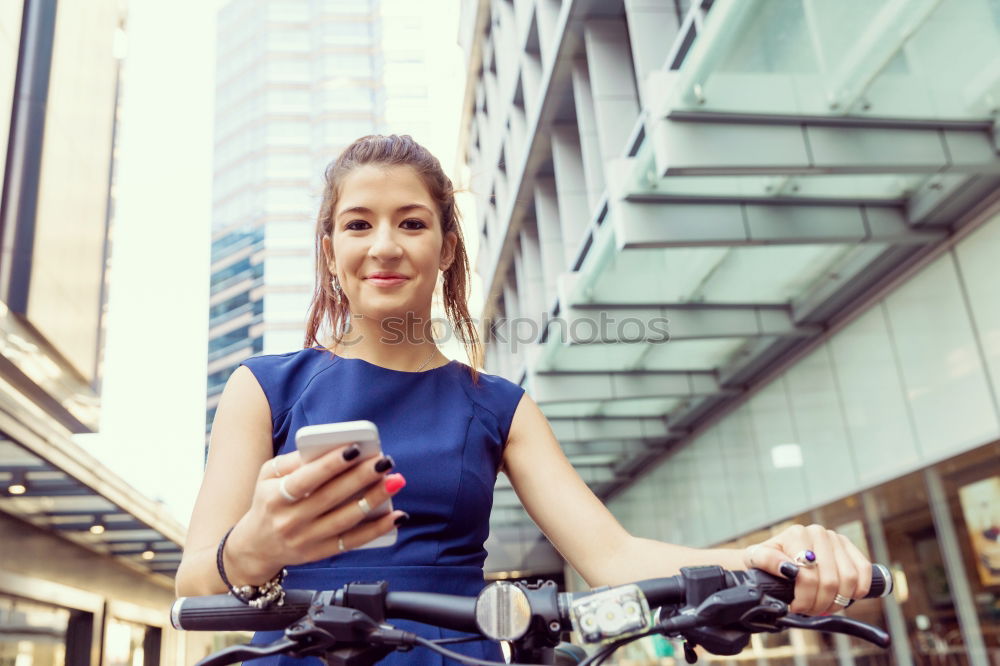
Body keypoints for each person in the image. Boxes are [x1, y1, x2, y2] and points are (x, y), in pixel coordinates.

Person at [176, 135, 874, 665]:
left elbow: (611, 556)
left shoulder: (500, 406)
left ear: (448, 246)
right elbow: (193, 584)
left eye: (411, 223)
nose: (383, 245)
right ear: (330, 251)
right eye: (358, 224)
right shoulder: (263, 388)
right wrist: (255, 547)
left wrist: (761, 558)